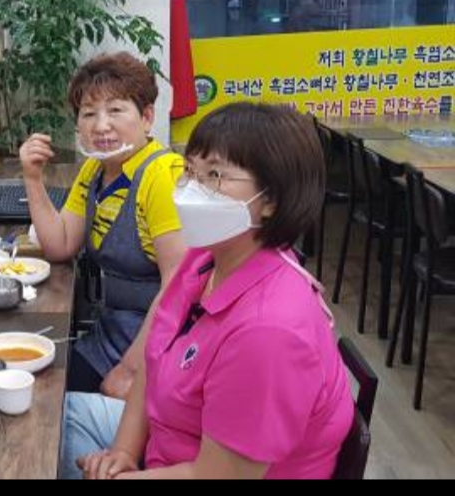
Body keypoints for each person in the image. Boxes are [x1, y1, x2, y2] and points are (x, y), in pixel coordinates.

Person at [62, 102, 354, 479]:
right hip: (168, 440)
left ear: (271, 199)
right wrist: (123, 451)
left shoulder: (268, 332)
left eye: (214, 175)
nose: (191, 190)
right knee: (59, 418)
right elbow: (154, 360)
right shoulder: (205, 258)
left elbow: (218, 475)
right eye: (190, 172)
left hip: (206, 470)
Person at [19, 52, 186, 396]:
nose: (100, 126)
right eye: (89, 113)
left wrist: (129, 370)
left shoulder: (161, 175)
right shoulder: (95, 170)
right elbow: (60, 244)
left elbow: (178, 285)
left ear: (147, 117)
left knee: (52, 399)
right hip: (110, 333)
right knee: (38, 385)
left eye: (115, 110)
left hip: (159, 346)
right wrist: (32, 178)